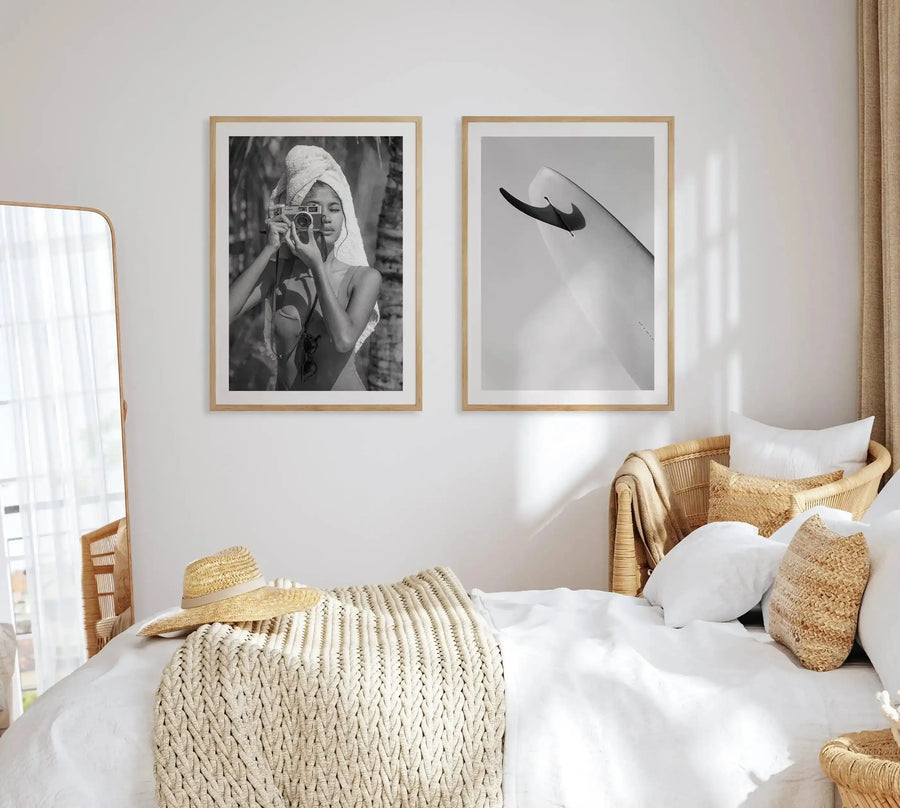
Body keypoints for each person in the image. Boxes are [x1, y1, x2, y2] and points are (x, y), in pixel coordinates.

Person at [229, 145, 382, 391]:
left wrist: (317, 266)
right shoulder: (279, 272)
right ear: (296, 215)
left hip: (344, 406)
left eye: (334, 208)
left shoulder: (364, 277)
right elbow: (221, 315)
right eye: (313, 209)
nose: (327, 217)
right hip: (289, 406)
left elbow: (343, 340)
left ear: (345, 216)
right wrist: (269, 249)